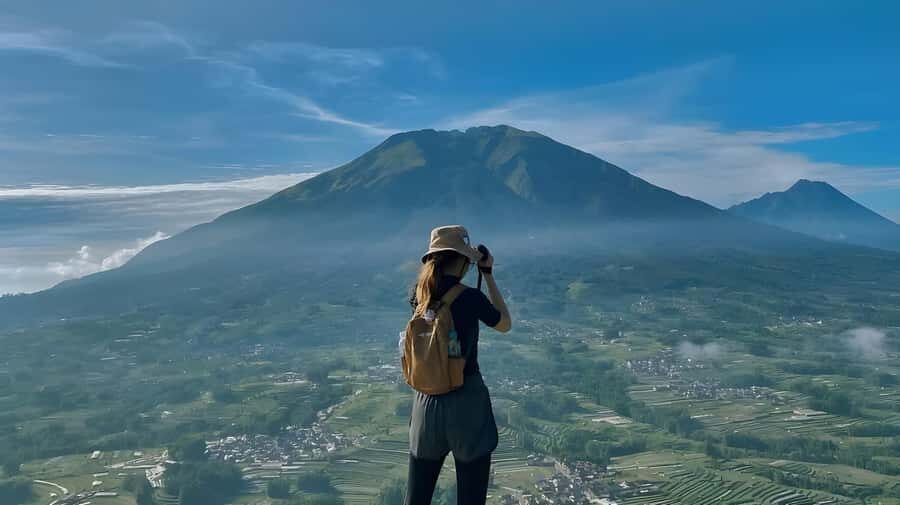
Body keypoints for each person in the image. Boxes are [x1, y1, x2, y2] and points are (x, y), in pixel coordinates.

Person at [405, 225, 512, 505]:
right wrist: (487, 274)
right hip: (466, 402)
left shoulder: (418, 295)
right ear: (463, 261)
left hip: (425, 403)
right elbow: (504, 323)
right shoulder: (469, 297)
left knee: (417, 497)